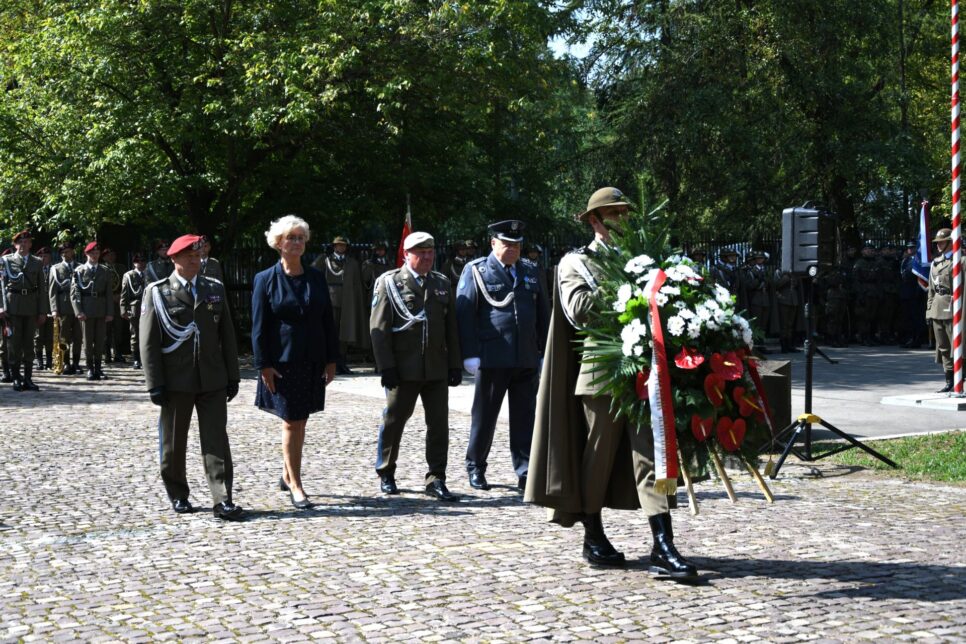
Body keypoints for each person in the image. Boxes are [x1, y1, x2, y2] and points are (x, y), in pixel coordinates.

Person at [525, 186, 697, 579]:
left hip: (647, 372)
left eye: (624, 213)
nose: (620, 221)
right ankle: (593, 534)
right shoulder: (576, 263)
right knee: (597, 460)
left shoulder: (646, 260)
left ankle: (663, 544)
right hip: (601, 373)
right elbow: (579, 311)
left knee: (653, 457)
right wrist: (627, 288)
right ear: (594, 221)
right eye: (612, 214)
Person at [140, 234, 244, 520]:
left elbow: (228, 336)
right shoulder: (159, 292)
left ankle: (222, 498)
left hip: (211, 377)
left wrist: (232, 375)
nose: (195, 261)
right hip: (176, 380)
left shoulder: (214, 288)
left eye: (197, 256)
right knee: (174, 442)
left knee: (216, 440)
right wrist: (155, 383)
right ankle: (178, 492)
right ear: (174, 259)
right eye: (189, 256)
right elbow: (148, 342)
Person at [252, 216, 338, 510]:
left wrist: (331, 359)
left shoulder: (315, 277)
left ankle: (287, 471)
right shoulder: (265, 279)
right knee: (292, 421)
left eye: (301, 237)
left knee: (301, 420)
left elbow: (327, 319)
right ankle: (296, 484)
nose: (298, 242)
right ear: (278, 243)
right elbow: (259, 327)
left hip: (312, 358)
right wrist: (263, 364)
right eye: (292, 237)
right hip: (282, 362)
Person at [456, 220, 550, 491]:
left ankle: (525, 471)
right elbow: (465, 316)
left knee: (525, 417)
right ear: (493, 243)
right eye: (507, 244)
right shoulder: (476, 271)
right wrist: (470, 355)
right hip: (492, 356)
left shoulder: (530, 271)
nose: (513, 249)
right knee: (484, 417)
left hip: (525, 357)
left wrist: (543, 352)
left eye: (517, 245)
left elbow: (543, 313)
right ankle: (476, 466)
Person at [370, 231, 462, 502]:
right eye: (421, 253)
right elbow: (379, 327)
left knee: (439, 425)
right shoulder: (390, 283)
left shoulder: (441, 282)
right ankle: (386, 471)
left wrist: (454, 364)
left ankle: (436, 478)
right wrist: (386, 367)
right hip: (403, 368)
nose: (426, 257)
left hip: (435, 368)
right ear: (407, 254)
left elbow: (451, 329)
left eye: (430, 252)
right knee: (394, 421)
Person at [0, 231, 49, 391]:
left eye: (26, 242)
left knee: (28, 344)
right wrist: (1, 306)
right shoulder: (6, 261)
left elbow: (42, 289)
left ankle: (28, 378)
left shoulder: (37, 262)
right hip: (12, 307)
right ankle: (15, 378)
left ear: (30, 244)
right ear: (15, 245)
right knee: (13, 344)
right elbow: (1, 286)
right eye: (20, 243)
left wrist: (42, 311)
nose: (23, 245)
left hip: (31, 307)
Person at [312, 236, 368, 375]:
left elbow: (358, 284)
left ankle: (342, 363)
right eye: (338, 245)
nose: (341, 248)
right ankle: (330, 363)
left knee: (344, 334)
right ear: (334, 246)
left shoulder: (352, 263)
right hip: (330, 301)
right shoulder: (325, 260)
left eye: (343, 245)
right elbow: (312, 274)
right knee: (331, 332)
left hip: (348, 302)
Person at [926, 228, 965, 393]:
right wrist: (929, 310)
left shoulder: (961, 261)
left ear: (951, 242)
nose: (939, 245)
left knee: (959, 346)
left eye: (942, 242)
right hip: (937, 307)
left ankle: (960, 378)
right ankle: (949, 380)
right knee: (943, 347)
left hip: (954, 307)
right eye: (938, 242)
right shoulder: (936, 263)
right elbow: (931, 290)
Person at [70, 242, 114, 381]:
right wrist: (78, 311)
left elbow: (108, 293)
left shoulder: (105, 270)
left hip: (100, 309)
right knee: (88, 341)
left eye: (96, 253)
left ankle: (98, 368)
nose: (94, 256)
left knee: (100, 340)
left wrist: (109, 312)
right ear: (86, 254)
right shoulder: (79, 271)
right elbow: (75, 293)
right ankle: (90, 368)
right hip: (86, 309)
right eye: (92, 253)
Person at [48, 242, 83, 374]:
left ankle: (76, 363)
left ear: (73, 252)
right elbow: (52, 291)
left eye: (67, 251)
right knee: (64, 337)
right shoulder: (55, 269)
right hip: (64, 306)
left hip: (79, 307)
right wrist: (54, 308)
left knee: (79, 337)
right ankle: (66, 362)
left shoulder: (81, 267)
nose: (64, 254)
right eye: (62, 252)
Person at [120, 254, 147, 369]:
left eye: (142, 261)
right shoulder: (129, 276)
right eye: (137, 261)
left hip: (148, 307)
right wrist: (123, 309)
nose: (140, 263)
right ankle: (136, 359)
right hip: (135, 308)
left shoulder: (149, 274)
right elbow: (124, 293)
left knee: (148, 334)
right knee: (135, 334)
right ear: (134, 263)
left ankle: (146, 357)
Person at [899, 241, 927, 349]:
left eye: (912, 247)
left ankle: (916, 339)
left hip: (915, 293)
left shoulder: (918, 261)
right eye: (909, 248)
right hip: (906, 292)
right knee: (907, 317)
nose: (910, 249)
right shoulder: (905, 260)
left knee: (916, 318)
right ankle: (908, 338)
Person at [33, 247, 54, 370]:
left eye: (45, 256)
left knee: (50, 335)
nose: (43, 258)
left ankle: (50, 360)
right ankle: (39, 360)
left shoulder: (54, 270)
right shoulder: (35, 270)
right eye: (41, 256)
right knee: (38, 336)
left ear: (50, 257)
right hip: (38, 307)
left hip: (51, 307)